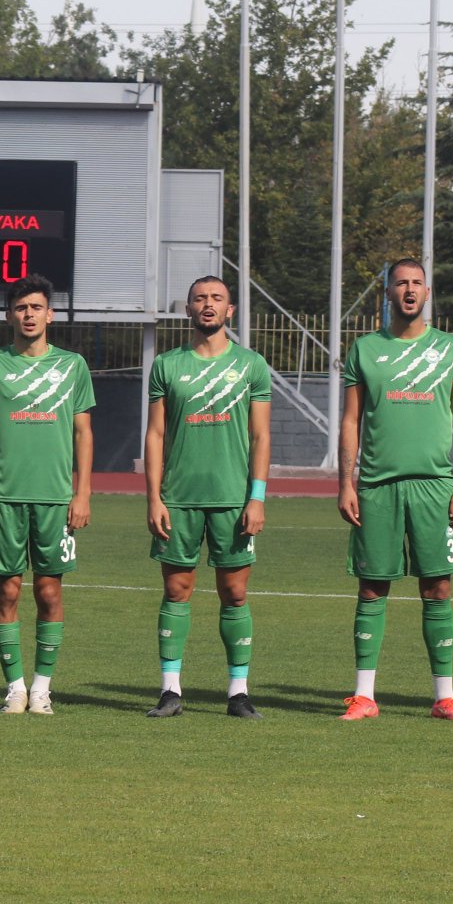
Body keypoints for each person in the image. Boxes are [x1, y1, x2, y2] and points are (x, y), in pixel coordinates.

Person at [336, 258, 453, 722]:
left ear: (428, 292)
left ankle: (444, 697)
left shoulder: (452, 348)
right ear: (388, 292)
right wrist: (346, 482)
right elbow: (352, 420)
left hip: (435, 486)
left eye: (417, 283)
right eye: (401, 283)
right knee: (373, 588)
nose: (410, 290)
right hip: (376, 486)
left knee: (437, 587)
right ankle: (364, 696)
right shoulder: (364, 350)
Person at [0, 274, 94, 715]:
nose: (29, 314)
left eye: (36, 307)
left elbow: (83, 431)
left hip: (56, 497)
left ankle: (42, 688)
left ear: (50, 314)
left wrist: (83, 493)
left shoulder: (73, 365)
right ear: (9, 315)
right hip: (4, 496)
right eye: (21, 308)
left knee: (50, 592)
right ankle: (15, 687)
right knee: (7, 591)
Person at [142, 275, 270, 719]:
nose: (208, 305)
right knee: (177, 590)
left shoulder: (252, 364)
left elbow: (260, 434)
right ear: (189, 310)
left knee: (234, 593)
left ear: (230, 310)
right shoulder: (166, 365)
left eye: (217, 298)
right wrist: (154, 497)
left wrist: (257, 497)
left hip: (234, 499)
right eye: (200, 298)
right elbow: (155, 434)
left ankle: (238, 692)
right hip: (178, 497)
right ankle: (170, 690)